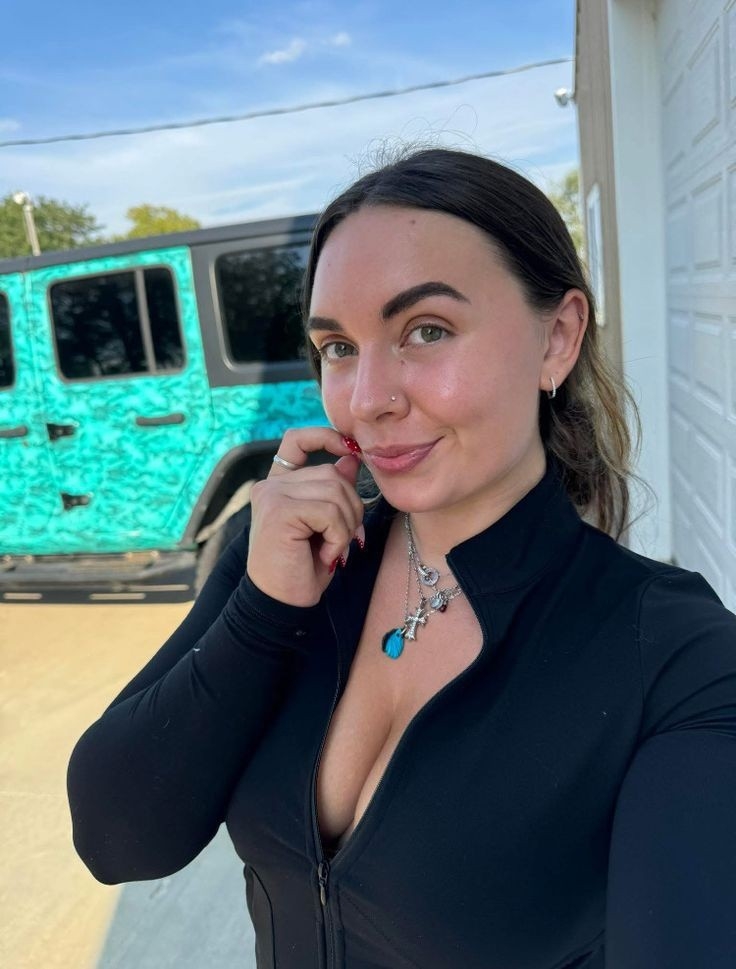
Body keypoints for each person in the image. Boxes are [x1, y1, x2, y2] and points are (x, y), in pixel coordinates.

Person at [67, 148, 736, 969]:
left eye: (426, 331)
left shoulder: (674, 657)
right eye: (338, 346)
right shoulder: (286, 561)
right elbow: (116, 838)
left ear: (557, 338)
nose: (367, 399)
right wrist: (262, 612)